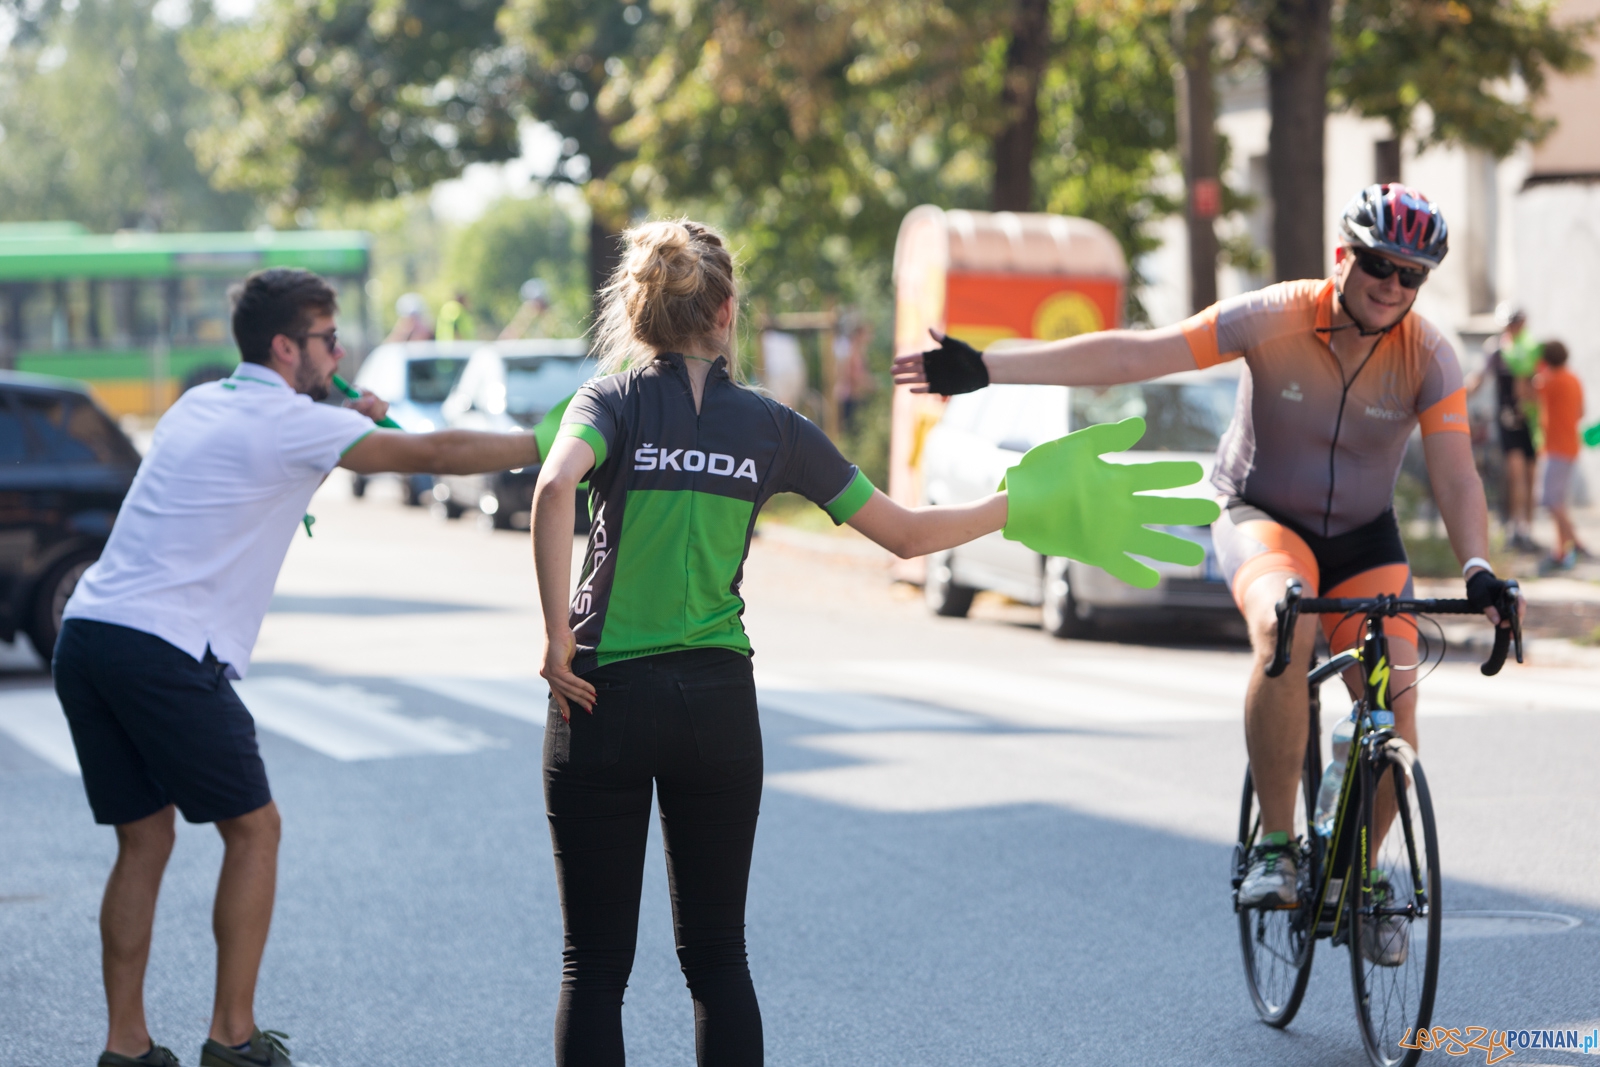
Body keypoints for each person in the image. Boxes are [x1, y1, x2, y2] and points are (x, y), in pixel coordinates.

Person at [530, 219, 1210, 1065]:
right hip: (715, 704)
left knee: (594, 967)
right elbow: (909, 535)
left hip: (603, 697)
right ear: (727, 311)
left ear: (638, 317)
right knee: (716, 958)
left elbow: (555, 488)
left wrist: (559, 637)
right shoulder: (774, 428)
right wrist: (1017, 503)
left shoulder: (609, 403)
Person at [894, 184, 1515, 965]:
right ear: (1343, 257)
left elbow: (1458, 477)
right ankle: (1278, 848)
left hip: (1364, 535)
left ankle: (1357, 881)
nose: (1393, 286)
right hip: (1262, 512)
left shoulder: (1430, 353)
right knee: (1281, 622)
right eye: (1380, 264)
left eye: (1412, 275)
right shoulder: (1274, 315)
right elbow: (1136, 353)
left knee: (1396, 705)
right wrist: (989, 365)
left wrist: (1480, 568)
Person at [55, 268, 566, 1067]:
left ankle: (125, 1048)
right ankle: (233, 1038)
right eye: (329, 339)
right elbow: (431, 448)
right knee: (255, 830)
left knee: (143, 840)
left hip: (88, 634)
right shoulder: (294, 424)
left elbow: (270, 466)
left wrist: (327, 415)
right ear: (288, 345)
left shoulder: (203, 401)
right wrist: (545, 440)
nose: (341, 351)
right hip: (165, 646)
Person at [1466, 303, 1539, 552]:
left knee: (1530, 476)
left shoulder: (1530, 349)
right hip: (1507, 418)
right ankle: (1515, 527)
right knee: (1515, 473)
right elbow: (1479, 378)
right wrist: (1456, 395)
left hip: (1530, 419)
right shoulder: (1496, 350)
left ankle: (1526, 529)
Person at [1533, 340, 1586, 572]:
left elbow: (1529, 392)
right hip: (1570, 445)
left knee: (1551, 501)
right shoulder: (1573, 379)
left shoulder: (1548, 381)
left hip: (1556, 448)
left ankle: (1577, 544)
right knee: (1558, 501)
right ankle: (1561, 549)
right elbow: (1581, 412)